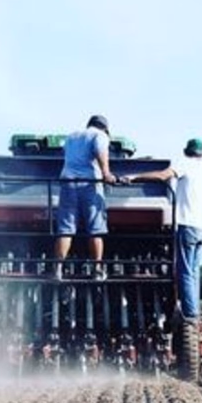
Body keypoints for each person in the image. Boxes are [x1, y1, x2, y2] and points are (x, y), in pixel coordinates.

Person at [126, 137, 202, 320]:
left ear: (186, 152)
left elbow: (163, 175)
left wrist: (135, 177)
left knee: (184, 272)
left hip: (187, 225)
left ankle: (189, 315)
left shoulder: (186, 164)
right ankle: (194, 312)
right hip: (201, 227)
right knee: (193, 272)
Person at [56, 114, 116, 281]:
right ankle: (97, 270)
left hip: (68, 183)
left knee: (66, 229)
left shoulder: (71, 136)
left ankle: (58, 269)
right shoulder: (100, 135)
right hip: (89, 184)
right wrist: (107, 174)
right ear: (104, 128)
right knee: (95, 229)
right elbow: (100, 152)